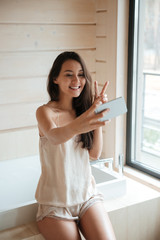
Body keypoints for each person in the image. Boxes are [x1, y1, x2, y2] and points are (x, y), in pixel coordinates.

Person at [35, 51, 116, 240]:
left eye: (81, 74)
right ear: (55, 78)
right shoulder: (45, 112)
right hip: (55, 204)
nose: (76, 80)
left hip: (87, 196)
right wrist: (87, 119)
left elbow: (94, 154)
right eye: (69, 74)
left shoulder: (84, 112)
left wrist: (97, 118)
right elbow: (55, 137)